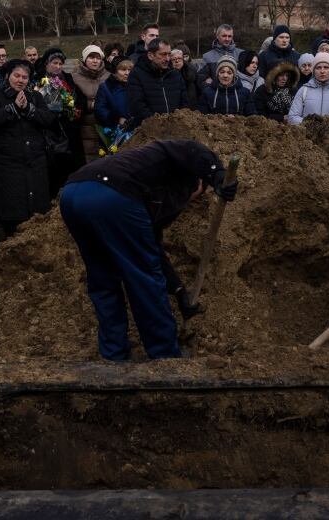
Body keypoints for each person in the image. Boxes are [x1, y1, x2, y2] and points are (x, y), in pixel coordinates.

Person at [60, 140, 238, 361]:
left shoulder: (147, 188)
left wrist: (179, 290)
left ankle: (114, 355)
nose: (194, 198)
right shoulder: (175, 164)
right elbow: (191, 147)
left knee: (103, 279)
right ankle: (165, 356)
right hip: (111, 195)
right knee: (144, 280)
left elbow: (151, 248)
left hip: (72, 195)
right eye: (199, 191)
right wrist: (218, 174)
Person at [0, 59, 56, 237]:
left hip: (35, 159)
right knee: (12, 202)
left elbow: (48, 119)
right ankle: (12, 238)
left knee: (36, 202)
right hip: (8, 162)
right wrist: (13, 108)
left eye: (25, 77)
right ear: (8, 76)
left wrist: (29, 109)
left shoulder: (35, 97)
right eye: (17, 75)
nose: (20, 80)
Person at [36, 48, 85, 198]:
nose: (58, 66)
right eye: (54, 63)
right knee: (56, 176)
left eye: (60, 63)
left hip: (71, 132)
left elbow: (81, 100)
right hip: (52, 136)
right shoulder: (39, 81)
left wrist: (74, 109)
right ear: (46, 64)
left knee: (74, 173)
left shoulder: (68, 79)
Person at [127, 38, 187, 128]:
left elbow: (184, 101)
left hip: (176, 128)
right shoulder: (137, 74)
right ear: (151, 55)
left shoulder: (175, 74)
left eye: (169, 54)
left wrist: (178, 121)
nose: (167, 59)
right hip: (149, 130)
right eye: (163, 54)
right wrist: (158, 125)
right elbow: (137, 105)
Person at [287, 53, 329, 128]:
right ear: (313, 70)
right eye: (318, 67)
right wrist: (310, 125)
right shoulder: (303, 90)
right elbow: (292, 117)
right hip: (307, 137)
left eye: (326, 67)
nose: (322, 71)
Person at [71, 45, 111, 162]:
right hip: (84, 129)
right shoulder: (74, 78)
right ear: (84, 59)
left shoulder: (109, 77)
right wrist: (89, 105)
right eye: (91, 57)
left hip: (106, 128)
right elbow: (72, 102)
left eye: (98, 58)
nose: (95, 61)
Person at [95, 56, 132, 129]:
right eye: (123, 70)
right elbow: (100, 110)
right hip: (114, 130)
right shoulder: (105, 87)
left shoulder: (136, 86)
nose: (127, 73)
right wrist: (116, 120)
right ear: (115, 71)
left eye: (130, 69)